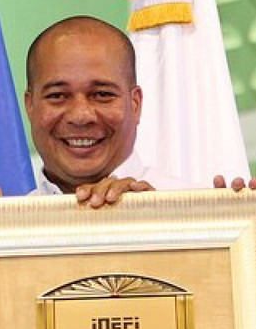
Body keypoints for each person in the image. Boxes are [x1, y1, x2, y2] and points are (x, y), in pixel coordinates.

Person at [24, 15, 189, 204]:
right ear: (30, 106)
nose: (80, 116)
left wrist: (161, 219)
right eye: (57, 96)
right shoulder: (7, 218)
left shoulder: (196, 210)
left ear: (135, 104)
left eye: (102, 94)